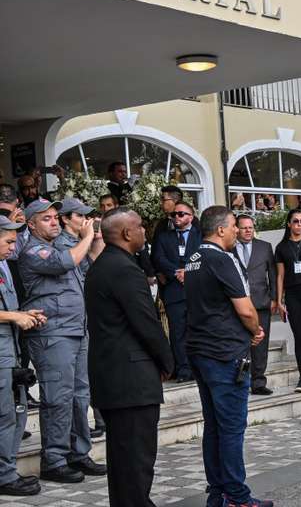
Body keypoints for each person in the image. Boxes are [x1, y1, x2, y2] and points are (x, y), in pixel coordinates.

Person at [85, 208, 174, 507]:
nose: (144, 233)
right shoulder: (124, 269)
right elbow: (146, 323)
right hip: (131, 380)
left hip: (115, 377)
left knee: (124, 463)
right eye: (139, 227)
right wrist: (167, 361)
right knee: (135, 463)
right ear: (126, 233)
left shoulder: (102, 265)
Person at [184, 206, 271, 507]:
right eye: (234, 225)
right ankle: (236, 496)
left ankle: (218, 493)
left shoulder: (194, 258)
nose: (238, 230)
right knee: (232, 427)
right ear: (220, 229)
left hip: (201, 349)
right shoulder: (221, 259)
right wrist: (255, 331)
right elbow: (245, 308)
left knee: (215, 425)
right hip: (224, 353)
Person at [18, 199, 106, 483]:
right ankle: (54, 459)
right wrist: (88, 236)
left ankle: (78, 453)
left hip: (76, 330)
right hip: (52, 334)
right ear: (31, 224)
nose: (54, 222)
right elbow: (64, 263)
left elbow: (91, 266)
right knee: (58, 398)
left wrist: (97, 238)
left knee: (80, 396)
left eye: (56, 217)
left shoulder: (62, 246)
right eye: (46, 219)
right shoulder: (33, 250)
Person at [0, 215, 44, 496]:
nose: (12, 248)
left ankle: (7, 470)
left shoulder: (3, 265)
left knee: (14, 414)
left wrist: (24, 314)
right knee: (5, 416)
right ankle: (4, 476)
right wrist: (14, 317)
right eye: (8, 242)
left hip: (11, 350)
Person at [55, 199, 106, 438]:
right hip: (64, 324)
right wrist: (87, 238)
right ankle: (65, 450)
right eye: (80, 215)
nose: (86, 220)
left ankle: (81, 449)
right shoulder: (60, 244)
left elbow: (92, 271)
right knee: (67, 393)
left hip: (83, 320)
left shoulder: (80, 242)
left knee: (82, 390)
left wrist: (95, 242)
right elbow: (69, 262)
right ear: (65, 219)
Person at [152, 201, 201, 382]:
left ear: (191, 216)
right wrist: (175, 272)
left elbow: (205, 256)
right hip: (174, 291)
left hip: (196, 291)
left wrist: (189, 272)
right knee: (177, 332)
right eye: (174, 214)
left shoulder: (201, 235)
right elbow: (158, 258)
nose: (177, 217)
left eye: (181, 214)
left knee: (197, 331)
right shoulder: (164, 237)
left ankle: (198, 368)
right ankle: (183, 370)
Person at [274, 209, 301, 393]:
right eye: (295, 221)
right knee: (299, 336)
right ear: (289, 224)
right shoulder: (282, 247)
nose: (299, 225)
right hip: (292, 295)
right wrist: (279, 301)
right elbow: (280, 276)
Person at [234, 215, 279, 395]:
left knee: (261, 344)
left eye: (251, 227)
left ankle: (259, 382)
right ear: (237, 229)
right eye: (244, 227)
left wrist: (275, 298)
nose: (248, 230)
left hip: (261, 302)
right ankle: (241, 380)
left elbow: (273, 275)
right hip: (237, 303)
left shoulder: (265, 247)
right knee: (241, 343)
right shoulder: (229, 248)